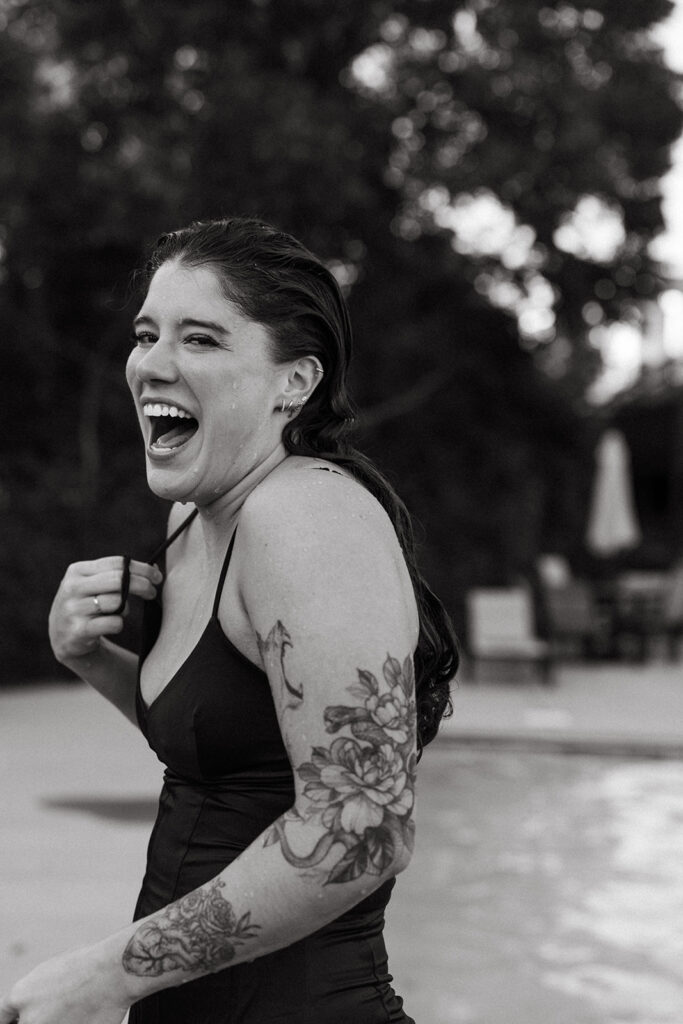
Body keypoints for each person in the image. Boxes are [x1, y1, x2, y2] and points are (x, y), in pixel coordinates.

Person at [0, 217, 457, 1024]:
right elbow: (228, 762)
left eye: (202, 339)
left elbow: (361, 829)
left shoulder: (307, 516)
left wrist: (111, 972)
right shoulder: (197, 516)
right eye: (147, 335)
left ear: (295, 381)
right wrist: (91, 658)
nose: (153, 364)